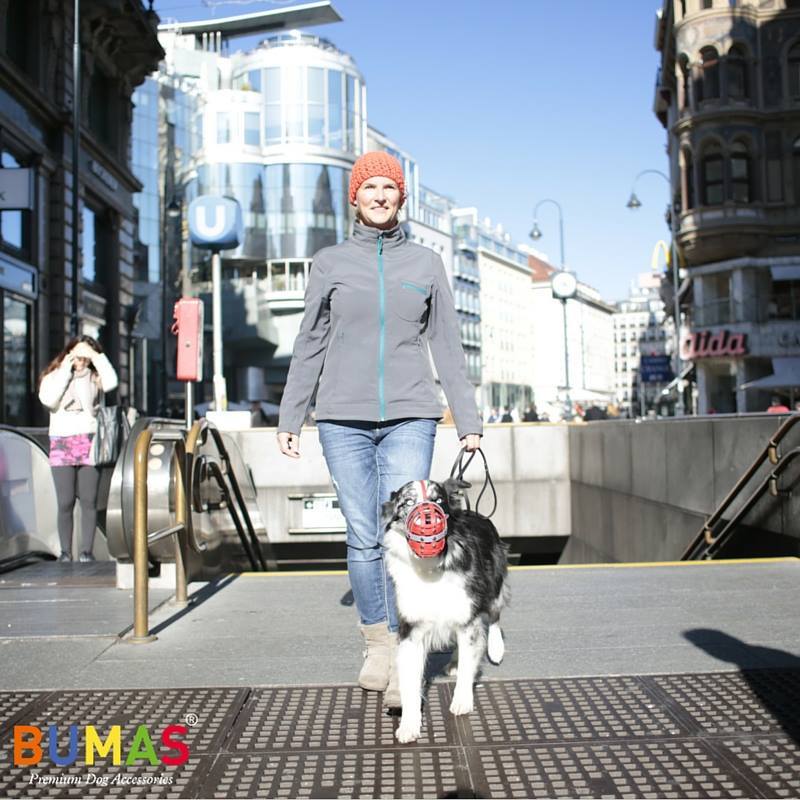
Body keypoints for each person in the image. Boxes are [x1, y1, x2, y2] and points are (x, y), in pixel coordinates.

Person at [276, 151, 482, 706]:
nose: (381, 196)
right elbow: (310, 341)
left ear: (402, 198)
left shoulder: (426, 264)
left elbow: (446, 345)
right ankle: (380, 645)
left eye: (391, 188)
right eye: (372, 187)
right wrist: (291, 414)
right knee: (363, 534)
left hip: (412, 413)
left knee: (411, 531)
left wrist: (468, 419)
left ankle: (407, 650)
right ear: (356, 196)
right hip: (342, 416)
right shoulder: (330, 262)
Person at [38, 336, 118, 562]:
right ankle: (65, 552)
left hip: (89, 439)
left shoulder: (95, 378)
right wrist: (66, 368)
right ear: (69, 352)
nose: (81, 361)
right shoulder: (54, 376)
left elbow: (112, 382)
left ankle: (87, 552)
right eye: (77, 354)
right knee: (65, 501)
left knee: (88, 500)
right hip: (62, 441)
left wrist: (96, 356)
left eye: (85, 357)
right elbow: (50, 399)